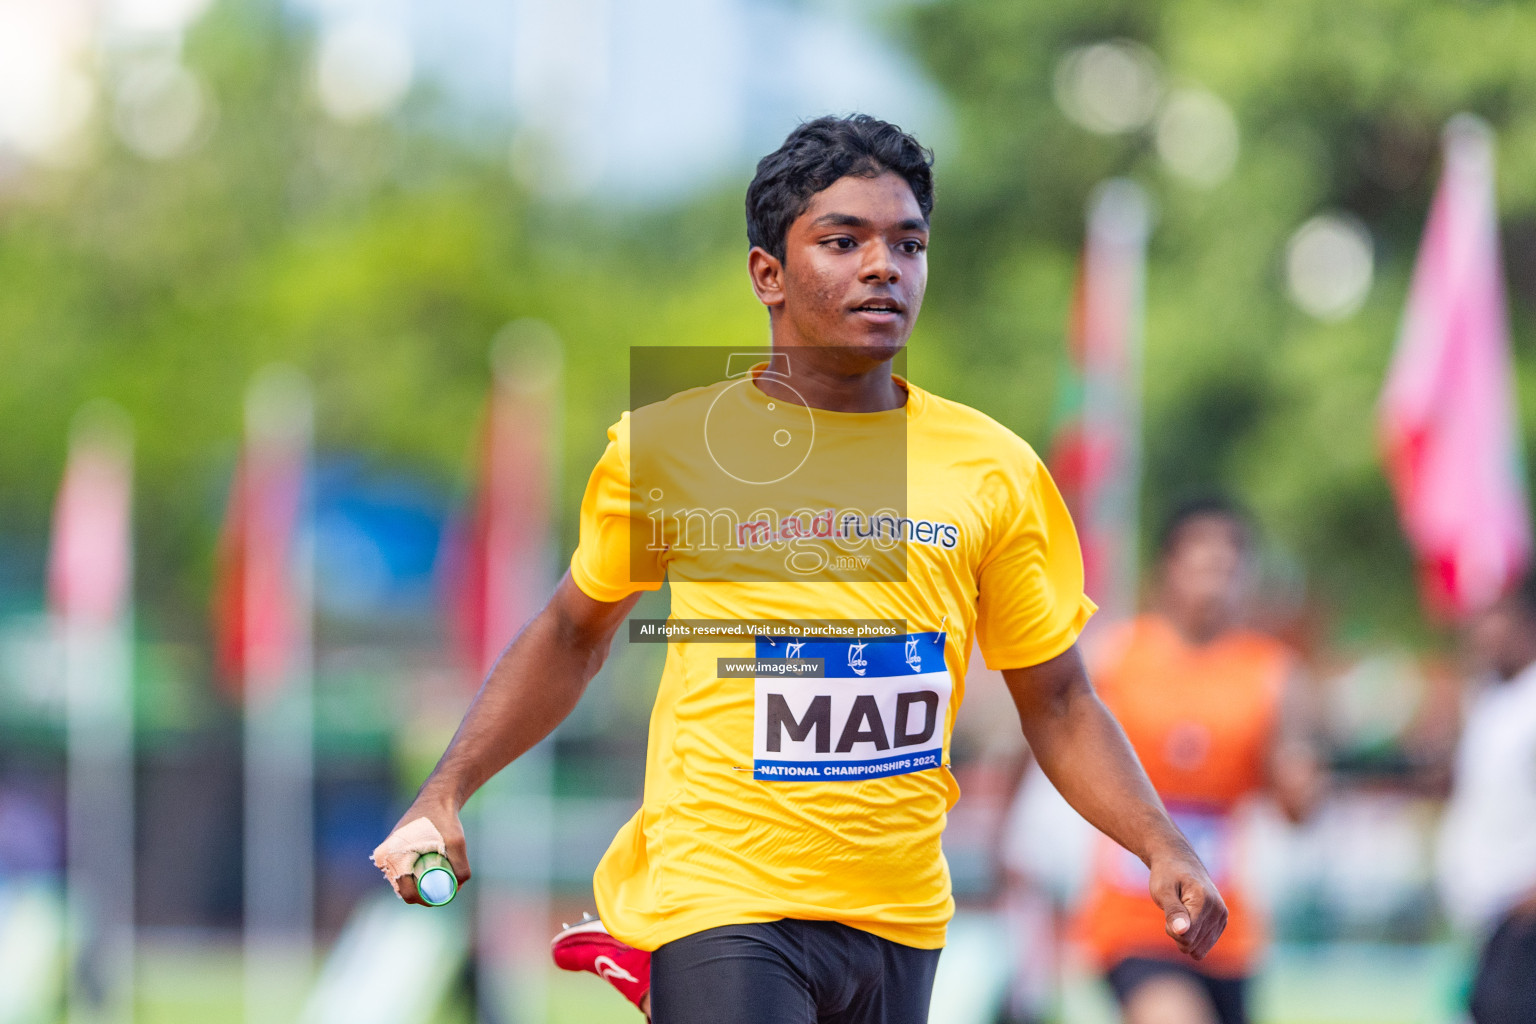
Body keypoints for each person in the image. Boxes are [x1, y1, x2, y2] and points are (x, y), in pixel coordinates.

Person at [372, 114, 1227, 1024]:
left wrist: (1159, 844)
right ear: (767, 275)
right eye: (842, 240)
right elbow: (572, 632)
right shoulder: (670, 449)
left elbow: (1056, 699)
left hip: (898, 913)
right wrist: (446, 787)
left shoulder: (994, 469)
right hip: (723, 893)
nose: (882, 266)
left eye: (908, 243)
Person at [1071, 497, 1321, 1024]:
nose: (1215, 579)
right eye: (1202, 562)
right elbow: (1064, 747)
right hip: (1133, 914)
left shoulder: (1272, 673)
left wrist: (1299, 781)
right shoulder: (1115, 657)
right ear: (1169, 567)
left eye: (1230, 566)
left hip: (1227, 922)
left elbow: (1298, 805)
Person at [1436, 570, 1536, 1024]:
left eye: (1497, 617)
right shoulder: (1494, 699)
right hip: (1491, 918)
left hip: (1522, 916)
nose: (1483, 630)